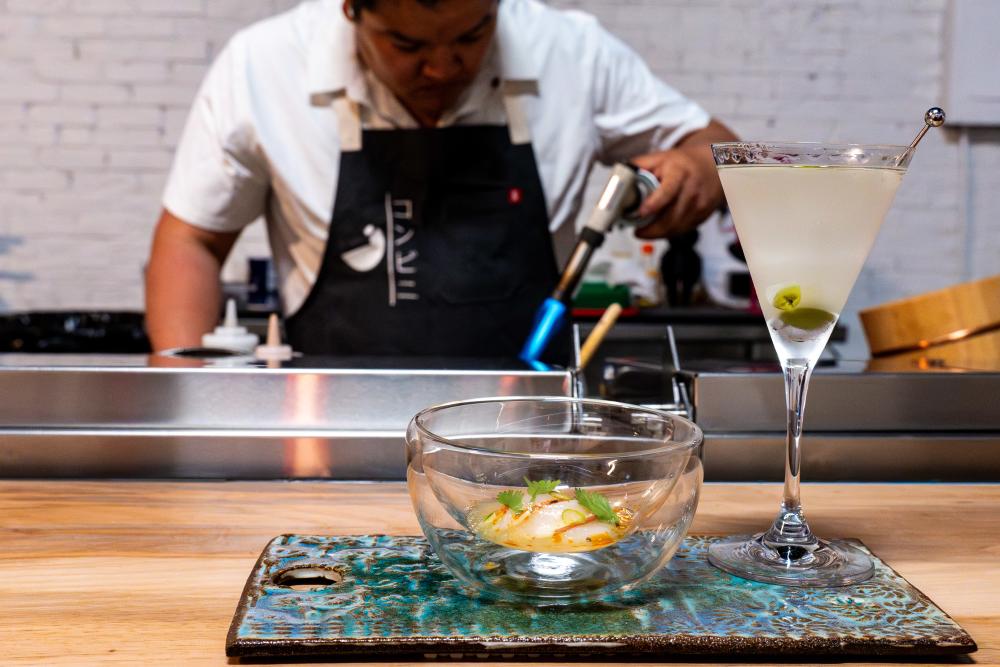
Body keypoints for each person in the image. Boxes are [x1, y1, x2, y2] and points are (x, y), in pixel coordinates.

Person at [146, 0, 736, 357]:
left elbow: (719, 149)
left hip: (532, 435)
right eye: (406, 43)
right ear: (351, 8)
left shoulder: (571, 51)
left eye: (472, 36)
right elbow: (192, 239)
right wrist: (186, 404)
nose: (443, 67)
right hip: (334, 433)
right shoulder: (263, 66)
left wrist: (695, 170)